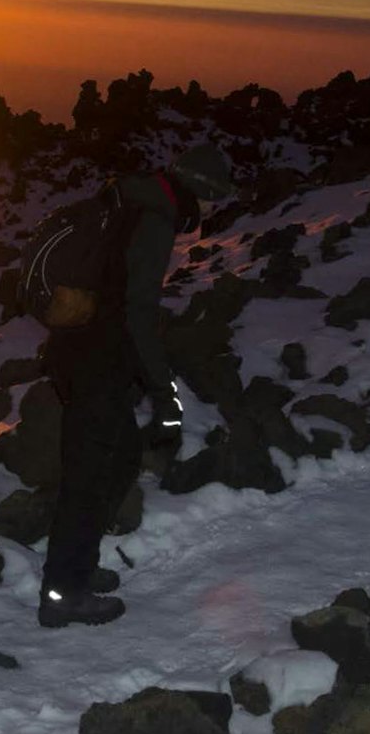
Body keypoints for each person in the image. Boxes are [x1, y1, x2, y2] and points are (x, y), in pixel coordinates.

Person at [38, 143, 233, 628]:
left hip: (80, 352)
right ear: (199, 191)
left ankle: (76, 568)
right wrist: (165, 393)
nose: (208, 212)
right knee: (89, 475)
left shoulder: (132, 200)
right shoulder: (153, 221)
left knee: (120, 455)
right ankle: (63, 595)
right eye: (212, 201)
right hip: (95, 362)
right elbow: (138, 316)